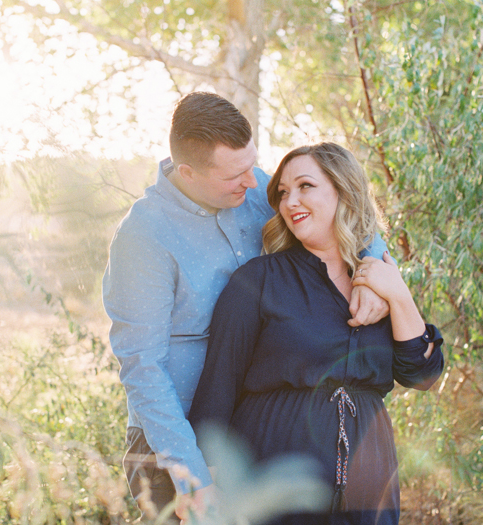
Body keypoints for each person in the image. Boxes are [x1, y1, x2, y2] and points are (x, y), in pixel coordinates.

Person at [102, 94, 391, 520]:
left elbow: (342, 209)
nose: (255, 182)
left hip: (252, 428)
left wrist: (374, 273)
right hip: (174, 441)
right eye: (236, 174)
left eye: (252, 165)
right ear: (188, 172)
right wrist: (192, 475)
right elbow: (143, 366)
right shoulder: (143, 237)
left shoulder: (252, 189)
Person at [188, 143, 445, 525]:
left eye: (305, 185)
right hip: (275, 475)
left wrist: (397, 291)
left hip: (367, 477)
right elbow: (216, 394)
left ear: (343, 190)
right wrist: (202, 489)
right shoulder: (258, 281)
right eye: (283, 192)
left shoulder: (377, 280)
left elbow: (422, 374)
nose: (291, 201)